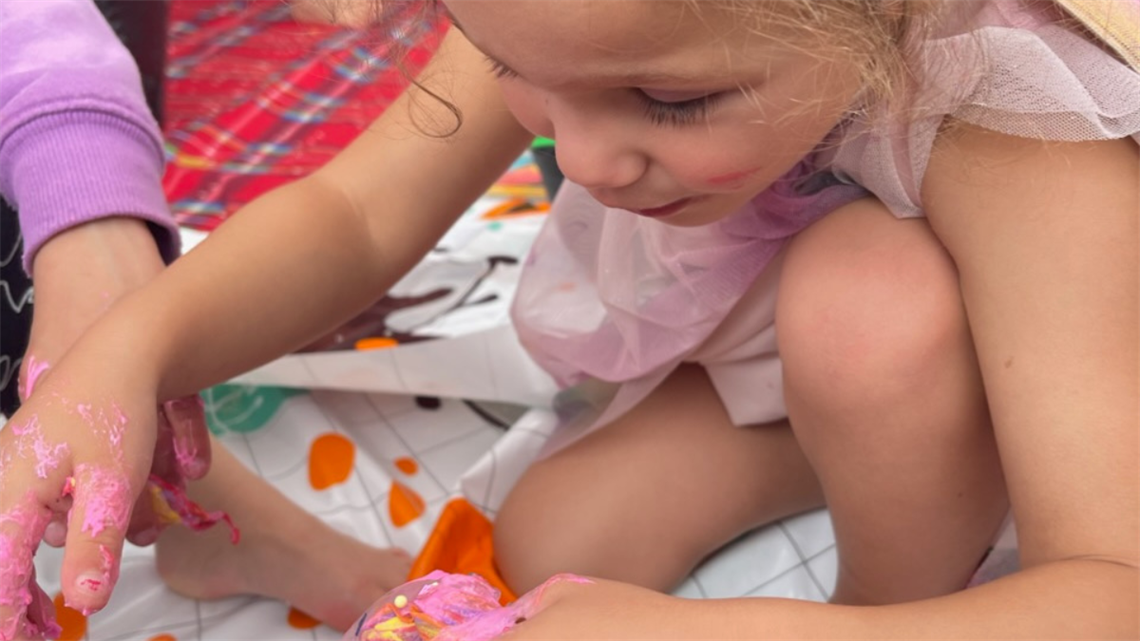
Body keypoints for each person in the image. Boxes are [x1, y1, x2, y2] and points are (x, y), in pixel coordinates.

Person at [2, 0, 1138, 638]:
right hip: (772, 337)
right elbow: (353, 215)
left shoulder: (1020, 128)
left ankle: (894, 596)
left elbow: (1115, 576)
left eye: (674, 100)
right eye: (515, 70)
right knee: (552, 553)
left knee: (867, 304)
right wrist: (125, 346)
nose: (582, 163)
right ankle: (836, 433)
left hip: (1012, 351)